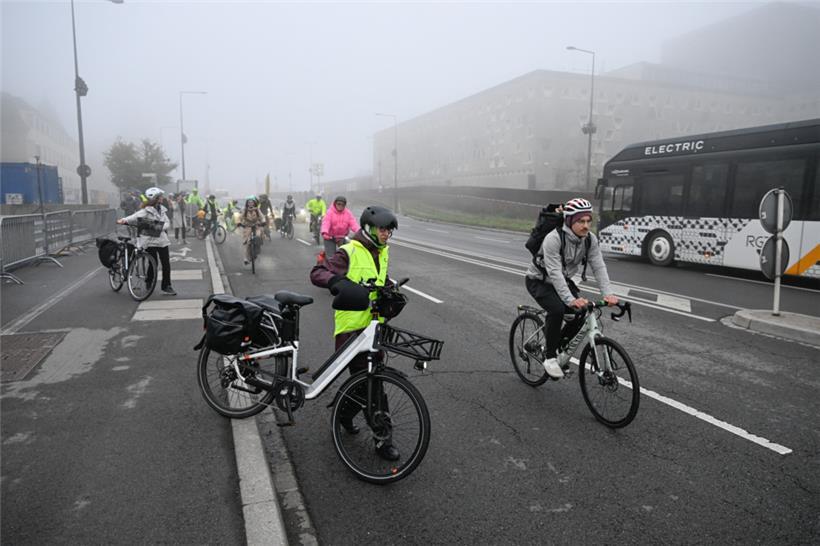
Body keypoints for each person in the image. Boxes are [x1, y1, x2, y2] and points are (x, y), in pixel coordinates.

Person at [310, 205, 400, 461]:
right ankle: (381, 439)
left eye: (389, 231)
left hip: (373, 328)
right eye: (383, 230)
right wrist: (337, 282)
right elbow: (318, 272)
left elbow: (377, 279)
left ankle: (345, 416)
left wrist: (390, 287)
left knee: (369, 382)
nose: (386, 235)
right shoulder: (349, 251)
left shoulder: (381, 252)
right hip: (351, 331)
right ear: (370, 229)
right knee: (369, 384)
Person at [525, 198, 617, 378]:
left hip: (562, 281)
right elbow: (554, 273)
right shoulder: (553, 239)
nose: (586, 225)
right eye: (580, 221)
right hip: (539, 280)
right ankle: (550, 358)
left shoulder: (590, 240)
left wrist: (608, 294)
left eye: (588, 221)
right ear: (569, 221)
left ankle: (559, 349)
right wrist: (570, 300)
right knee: (558, 310)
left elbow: (598, 267)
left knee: (581, 313)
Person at [116, 186, 176, 296]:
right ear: (156, 198)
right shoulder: (146, 211)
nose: (162, 198)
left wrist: (160, 227)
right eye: (160, 196)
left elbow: (167, 222)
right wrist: (123, 220)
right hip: (149, 242)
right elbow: (134, 216)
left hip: (162, 241)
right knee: (153, 263)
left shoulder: (162, 209)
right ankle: (149, 282)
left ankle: (166, 286)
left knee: (166, 264)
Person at [238, 196, 267, 265]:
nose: (250, 204)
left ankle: (256, 251)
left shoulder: (257, 210)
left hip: (256, 226)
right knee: (247, 243)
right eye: (249, 203)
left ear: (254, 203)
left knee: (257, 237)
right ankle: (246, 258)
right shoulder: (245, 210)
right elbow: (240, 218)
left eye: (252, 202)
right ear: (247, 204)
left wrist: (263, 222)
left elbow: (262, 217)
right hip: (247, 227)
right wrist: (239, 223)